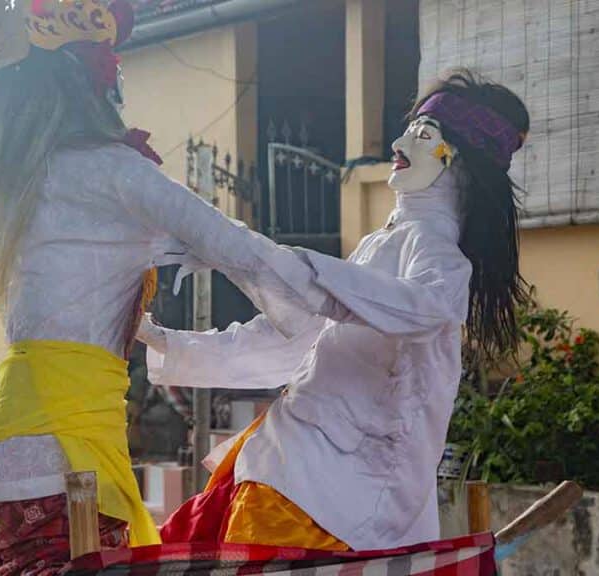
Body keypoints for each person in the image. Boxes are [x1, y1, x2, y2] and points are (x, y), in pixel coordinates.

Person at [0, 1, 331, 573]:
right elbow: (238, 247)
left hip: (6, 445)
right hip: (70, 454)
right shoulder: (113, 171)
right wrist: (334, 301)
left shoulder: (8, 184)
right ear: (99, 84)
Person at [140, 69, 531, 552]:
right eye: (409, 128)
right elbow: (297, 340)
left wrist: (266, 261)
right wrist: (168, 342)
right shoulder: (379, 245)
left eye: (422, 134)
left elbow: (421, 308)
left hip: (341, 497)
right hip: (288, 466)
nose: (400, 141)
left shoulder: (439, 259)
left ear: (460, 164)